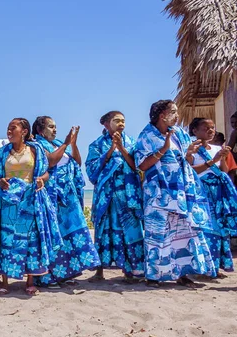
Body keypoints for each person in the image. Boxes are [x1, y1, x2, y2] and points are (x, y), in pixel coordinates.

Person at [133, 100, 216, 287]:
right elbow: (142, 165)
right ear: (162, 115)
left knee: (184, 233)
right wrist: (164, 148)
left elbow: (187, 159)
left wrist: (190, 153)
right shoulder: (146, 136)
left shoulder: (179, 133)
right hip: (158, 195)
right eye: (173, 112)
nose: (177, 116)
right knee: (158, 234)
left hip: (181, 193)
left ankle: (183, 274)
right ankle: (154, 276)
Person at [0, 118, 62, 295]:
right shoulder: (2, 152)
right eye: (8, 128)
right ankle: (5, 281)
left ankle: (30, 281)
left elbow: (46, 173)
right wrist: (0, 181)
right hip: (7, 203)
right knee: (7, 239)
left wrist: (41, 180)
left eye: (13, 128)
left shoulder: (36, 150)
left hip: (30, 200)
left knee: (29, 239)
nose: (9, 131)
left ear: (24, 132)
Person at [33, 116, 100, 288]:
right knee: (54, 236)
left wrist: (73, 144)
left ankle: (66, 273)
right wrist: (65, 143)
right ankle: (49, 277)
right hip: (52, 197)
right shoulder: (37, 145)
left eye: (55, 126)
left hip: (68, 198)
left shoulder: (57, 144)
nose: (54, 130)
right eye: (50, 127)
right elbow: (50, 161)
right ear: (40, 130)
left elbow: (76, 162)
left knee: (69, 235)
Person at [85, 111, 145, 282]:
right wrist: (111, 150)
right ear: (106, 124)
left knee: (131, 230)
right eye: (117, 120)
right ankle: (99, 271)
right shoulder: (96, 145)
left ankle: (132, 270)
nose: (121, 123)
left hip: (128, 194)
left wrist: (122, 149)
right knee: (104, 230)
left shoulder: (132, 143)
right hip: (107, 195)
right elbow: (92, 171)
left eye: (123, 120)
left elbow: (137, 167)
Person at [187, 118, 237, 277]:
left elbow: (224, 170)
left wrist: (221, 158)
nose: (211, 131)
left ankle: (214, 267)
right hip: (201, 192)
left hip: (218, 193)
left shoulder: (217, 148)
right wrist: (212, 161)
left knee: (219, 230)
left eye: (212, 128)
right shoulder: (191, 149)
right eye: (206, 128)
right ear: (195, 131)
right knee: (204, 228)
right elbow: (190, 171)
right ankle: (203, 268)